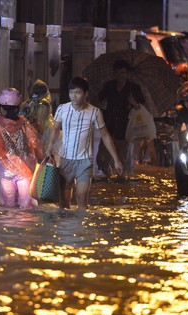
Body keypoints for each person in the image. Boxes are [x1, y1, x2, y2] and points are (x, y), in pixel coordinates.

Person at [47, 76, 123, 210]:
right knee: (63, 202)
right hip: (65, 160)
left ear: (86, 93)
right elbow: (55, 129)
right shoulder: (62, 109)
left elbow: (105, 135)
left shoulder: (94, 112)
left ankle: (82, 228)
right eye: (71, 92)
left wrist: (116, 159)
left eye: (77, 92)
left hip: (85, 161)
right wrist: (49, 147)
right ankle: (65, 228)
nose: (74, 96)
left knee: (81, 196)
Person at [0, 88, 42, 209]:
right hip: (25, 168)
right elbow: (35, 144)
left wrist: (7, 157)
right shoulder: (25, 124)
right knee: (26, 204)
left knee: (8, 204)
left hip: (6, 169)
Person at [96, 59, 146, 178]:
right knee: (102, 156)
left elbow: (142, 106)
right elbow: (100, 98)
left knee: (124, 155)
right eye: (118, 73)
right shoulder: (109, 85)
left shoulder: (134, 87)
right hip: (110, 123)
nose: (120, 76)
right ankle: (108, 175)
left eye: (123, 72)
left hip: (126, 126)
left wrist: (134, 103)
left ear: (127, 73)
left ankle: (122, 177)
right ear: (114, 73)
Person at [19, 79, 58, 159]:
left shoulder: (25, 104)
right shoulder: (43, 105)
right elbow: (41, 124)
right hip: (38, 139)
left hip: (25, 138)